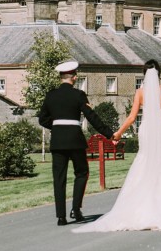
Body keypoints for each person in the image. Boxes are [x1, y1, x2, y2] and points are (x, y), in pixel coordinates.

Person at [73, 60, 161, 232]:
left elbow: (132, 117)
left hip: (146, 130)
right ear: (159, 73)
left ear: (144, 74)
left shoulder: (140, 92)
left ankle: (141, 208)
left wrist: (118, 133)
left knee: (146, 161)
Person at [38, 60, 115, 226]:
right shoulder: (78, 95)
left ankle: (61, 216)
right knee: (81, 173)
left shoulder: (50, 95)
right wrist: (109, 134)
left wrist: (57, 126)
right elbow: (92, 117)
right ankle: (76, 208)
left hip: (58, 141)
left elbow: (42, 119)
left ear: (61, 77)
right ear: (73, 77)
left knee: (59, 178)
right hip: (75, 140)